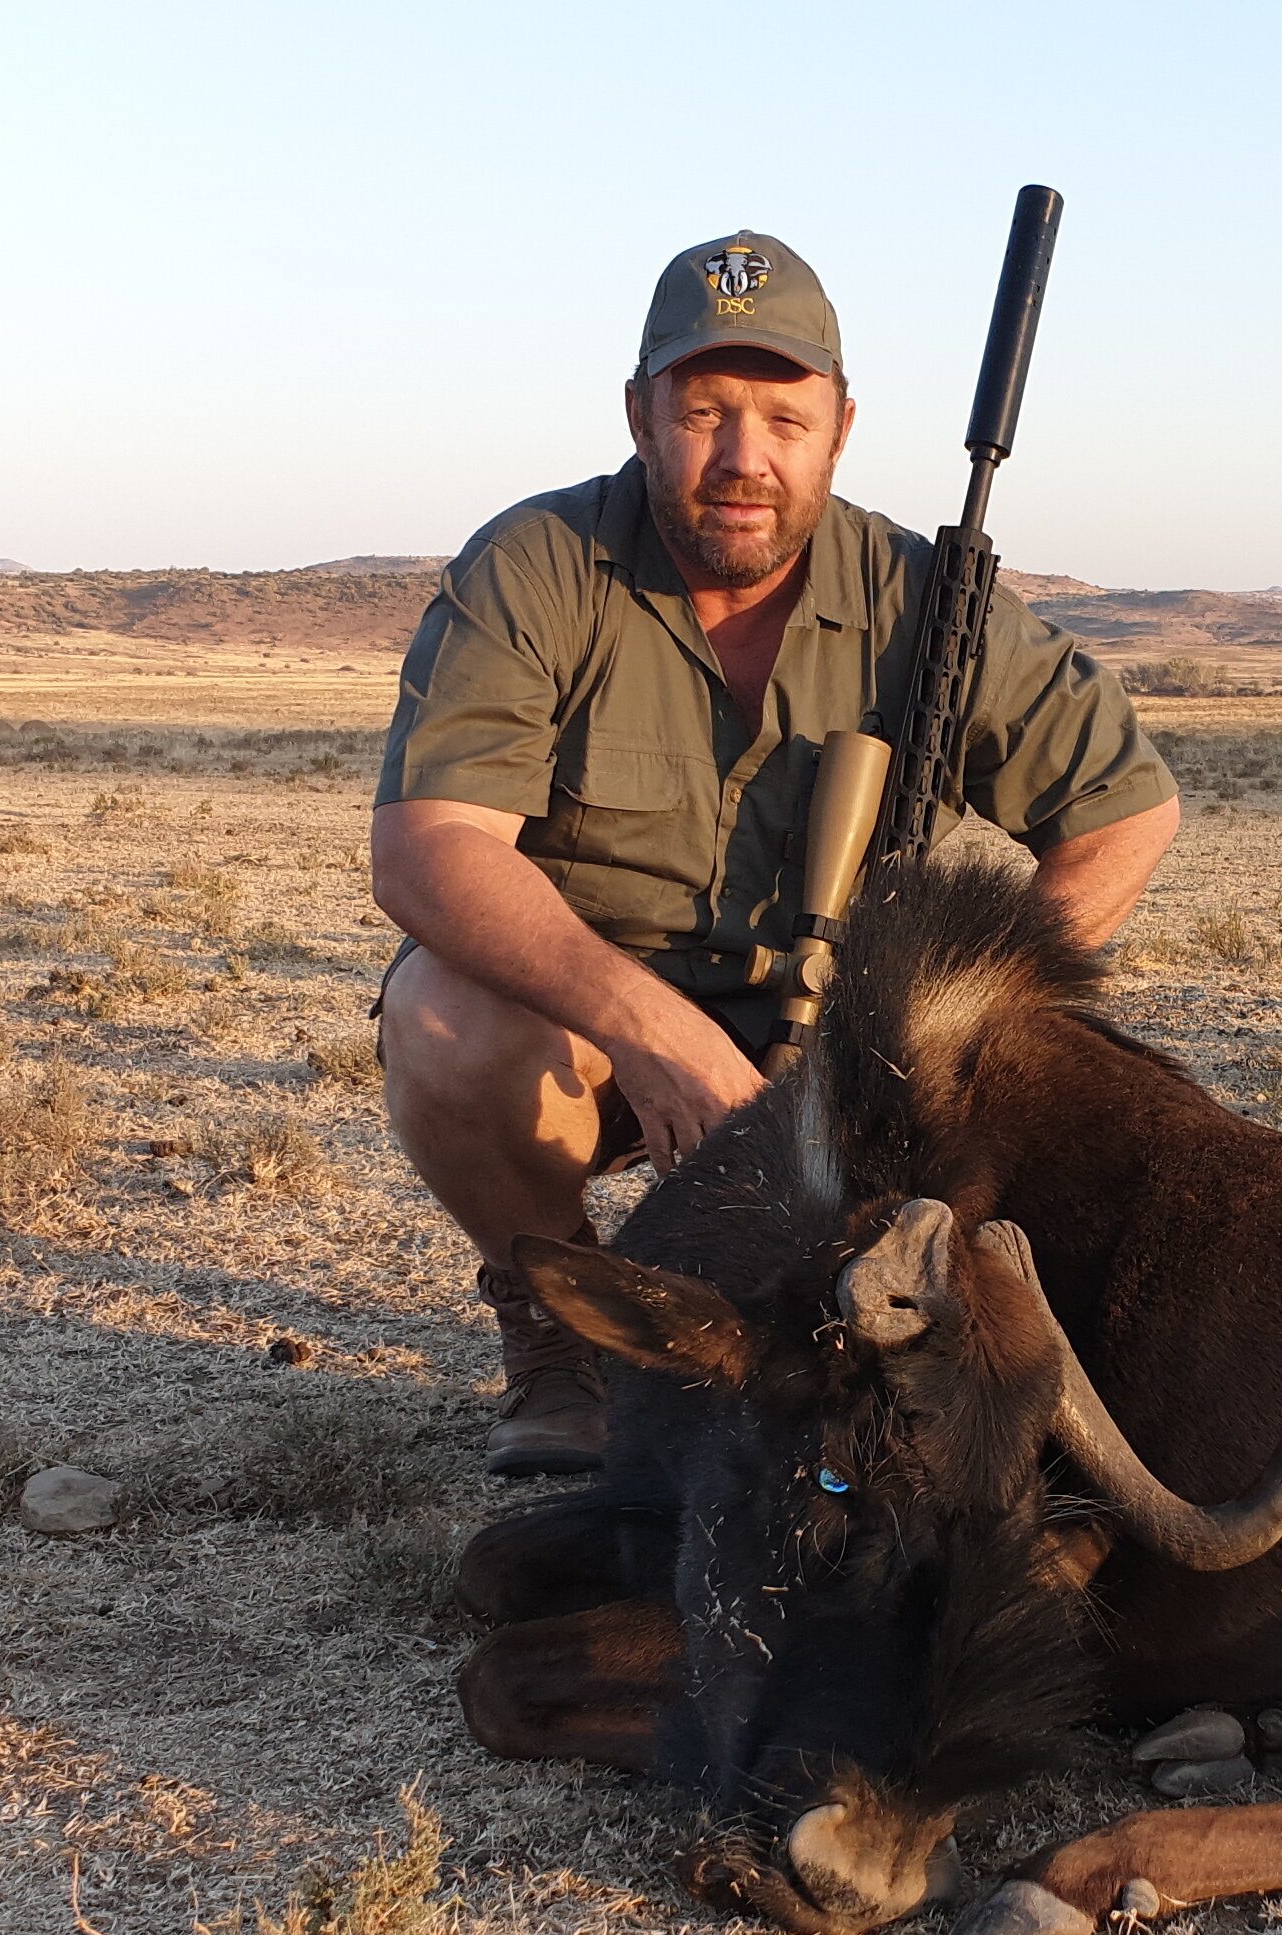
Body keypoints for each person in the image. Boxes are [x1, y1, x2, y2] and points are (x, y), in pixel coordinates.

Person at [369, 229, 1181, 1477]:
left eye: (784, 420)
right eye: (705, 412)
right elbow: (430, 851)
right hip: (602, 1044)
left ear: (842, 428)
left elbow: (1125, 810)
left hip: (851, 1045)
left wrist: (957, 1022)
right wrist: (658, 1035)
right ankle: (557, 1342)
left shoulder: (923, 601)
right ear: (641, 416)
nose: (744, 460)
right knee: (441, 1017)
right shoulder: (538, 567)